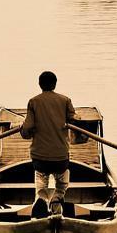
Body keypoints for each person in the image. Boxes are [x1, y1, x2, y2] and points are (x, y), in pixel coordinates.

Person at [21, 71, 76, 218]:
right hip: (60, 156)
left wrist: (23, 130)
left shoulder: (33, 102)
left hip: (40, 157)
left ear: (39, 85)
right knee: (62, 181)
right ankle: (58, 197)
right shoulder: (65, 101)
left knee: (41, 179)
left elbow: (27, 130)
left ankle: (42, 198)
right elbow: (74, 121)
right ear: (55, 84)